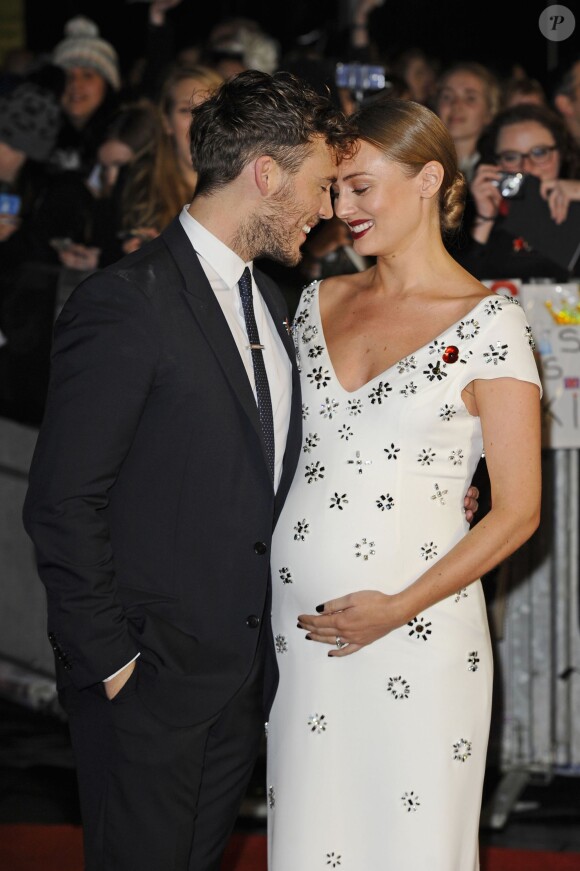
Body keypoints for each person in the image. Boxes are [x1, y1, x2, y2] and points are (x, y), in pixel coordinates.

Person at [21, 69, 355, 871]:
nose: (329, 209)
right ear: (265, 174)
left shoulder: (273, 304)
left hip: (238, 687)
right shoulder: (126, 301)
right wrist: (115, 668)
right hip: (146, 689)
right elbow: (62, 503)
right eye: (320, 185)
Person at [266, 98, 541, 870]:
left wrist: (396, 609)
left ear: (427, 178)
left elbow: (518, 511)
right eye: (334, 190)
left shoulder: (491, 323)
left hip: (419, 636)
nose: (341, 209)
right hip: (305, 636)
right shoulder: (315, 303)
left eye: (360, 187)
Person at [455, 102, 580, 281]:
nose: (527, 167)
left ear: (561, 154)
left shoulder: (575, 206)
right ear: (495, 163)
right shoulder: (470, 213)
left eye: (539, 153)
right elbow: (458, 291)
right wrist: (483, 220)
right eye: (511, 157)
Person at [118, 65, 223, 254]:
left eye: (208, 109)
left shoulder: (249, 191)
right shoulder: (138, 187)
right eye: (186, 110)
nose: (199, 122)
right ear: (167, 123)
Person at [435, 61, 500, 183]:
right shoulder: (418, 162)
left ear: (490, 111)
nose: (456, 105)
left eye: (470, 98)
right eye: (447, 96)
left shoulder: (499, 167)